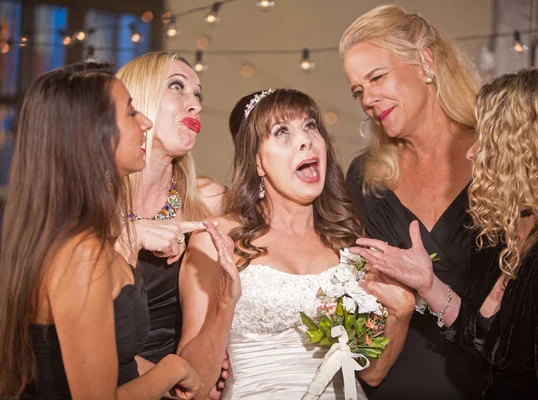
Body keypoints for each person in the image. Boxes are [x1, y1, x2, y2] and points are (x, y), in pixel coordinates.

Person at [351, 68, 538, 399]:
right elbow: (484, 340)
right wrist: (428, 284)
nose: (471, 152)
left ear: (530, 151)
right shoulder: (505, 238)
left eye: (486, 138)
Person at [180, 88, 416, 399]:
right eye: (282, 132)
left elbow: (371, 374)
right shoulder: (216, 241)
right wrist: (224, 307)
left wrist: (402, 314)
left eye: (310, 126)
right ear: (256, 163)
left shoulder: (348, 240)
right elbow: (190, 386)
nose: (305, 140)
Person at [0, 61, 202, 399]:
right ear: (93, 133)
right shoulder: (80, 253)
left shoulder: (84, 237)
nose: (146, 123)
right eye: (132, 112)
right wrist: (173, 368)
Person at [340, 4, 485, 398]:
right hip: (391, 382)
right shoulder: (365, 177)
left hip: (488, 382)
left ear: (425, 62)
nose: (368, 98)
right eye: (358, 91)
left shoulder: (496, 155)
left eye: (377, 77)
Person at [115, 51, 233, 398]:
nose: (195, 104)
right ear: (136, 100)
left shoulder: (210, 201)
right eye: (177, 87)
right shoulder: (88, 202)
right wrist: (171, 378)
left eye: (198, 95)